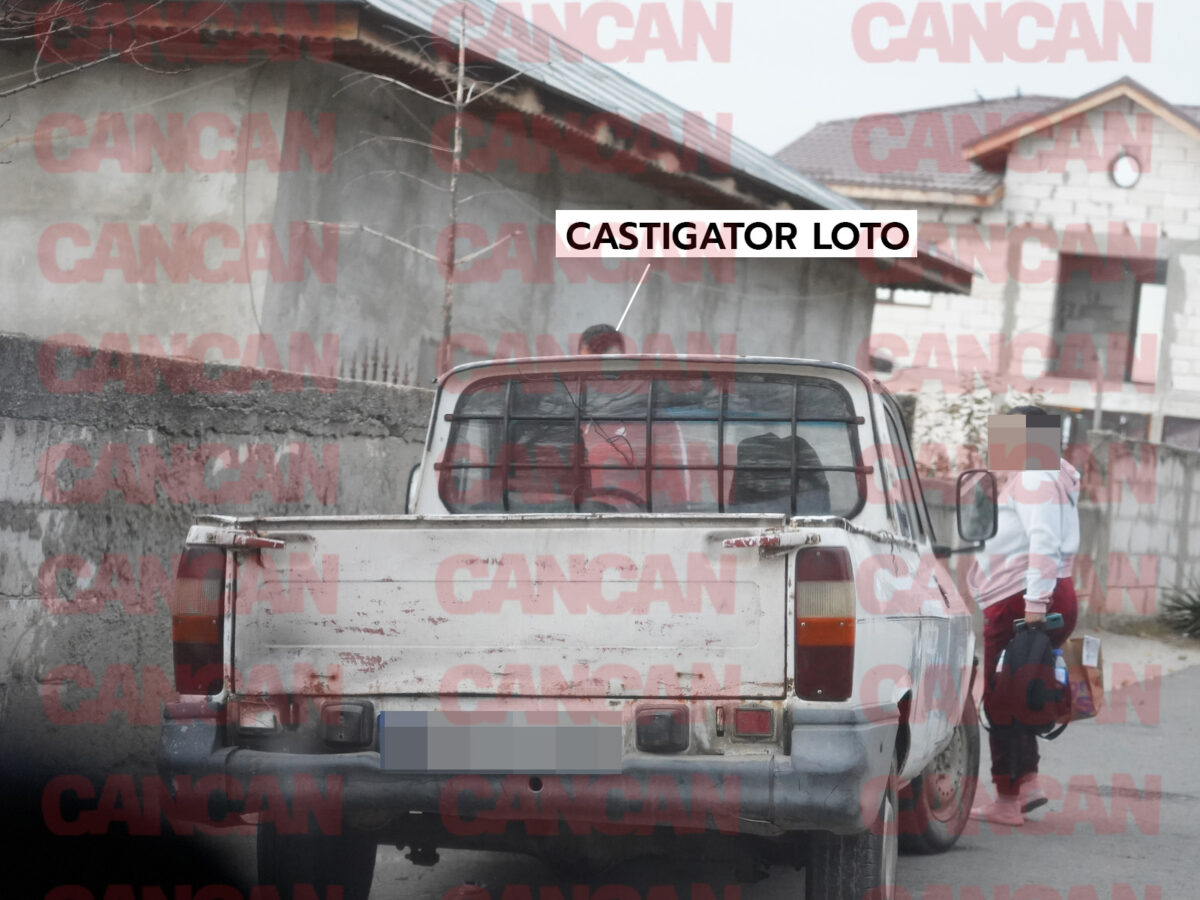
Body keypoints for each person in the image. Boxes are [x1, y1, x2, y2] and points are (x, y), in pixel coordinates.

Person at [968, 405, 1081, 826]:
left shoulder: (1035, 476)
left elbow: (1043, 542)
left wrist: (1034, 607)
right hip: (1032, 595)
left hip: (1021, 599)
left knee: (1001, 698)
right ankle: (1028, 783)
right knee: (1022, 689)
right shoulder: (1043, 474)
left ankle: (1006, 798)